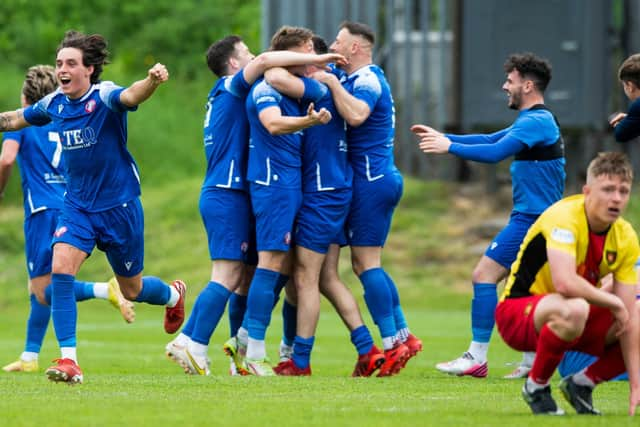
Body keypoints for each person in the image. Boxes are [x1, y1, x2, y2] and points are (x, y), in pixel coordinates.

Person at [0, 30, 186, 384]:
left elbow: (132, 95)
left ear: (90, 69)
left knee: (132, 289)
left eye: (70, 63)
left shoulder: (104, 96)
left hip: (120, 208)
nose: (62, 70)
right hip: (78, 207)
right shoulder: (54, 103)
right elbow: (15, 119)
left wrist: (152, 81)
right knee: (61, 268)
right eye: (58, 64)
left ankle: (174, 294)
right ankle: (69, 361)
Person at [163, 34, 345, 376]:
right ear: (234, 64)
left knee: (242, 278)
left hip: (232, 190)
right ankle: (195, 342)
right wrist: (323, 60)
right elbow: (266, 66)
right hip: (228, 191)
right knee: (228, 274)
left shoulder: (228, 93)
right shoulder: (233, 86)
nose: (255, 57)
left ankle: (214, 348)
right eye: (247, 53)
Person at [411, 52, 565, 378]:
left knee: (484, 275)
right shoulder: (532, 120)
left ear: (527, 84)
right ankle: (529, 362)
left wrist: (447, 147)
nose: (504, 86)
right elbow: (490, 139)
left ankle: (476, 357)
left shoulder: (537, 121)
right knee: (520, 285)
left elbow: (495, 153)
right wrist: (444, 137)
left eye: (509, 81)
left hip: (533, 219)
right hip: (539, 218)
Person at [0, 64, 135, 374]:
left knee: (43, 288)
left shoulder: (25, 122)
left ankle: (103, 290)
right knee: (44, 283)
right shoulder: (63, 116)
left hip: (40, 210)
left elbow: (7, 157)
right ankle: (30, 355)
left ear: (25, 96)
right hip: (70, 204)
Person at [265, 35, 384, 377]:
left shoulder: (319, 85)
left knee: (305, 277)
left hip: (323, 193)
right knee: (327, 278)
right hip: (333, 189)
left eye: (303, 55)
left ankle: (300, 361)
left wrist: (295, 65)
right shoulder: (329, 82)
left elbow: (273, 76)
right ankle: (367, 349)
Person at [312, 21, 421, 376]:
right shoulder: (354, 77)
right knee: (368, 263)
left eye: (338, 41)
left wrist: (329, 81)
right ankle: (403, 336)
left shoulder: (369, 79)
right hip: (377, 179)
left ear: (355, 48)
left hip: (372, 180)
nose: (332, 44)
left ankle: (391, 344)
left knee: (366, 265)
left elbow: (357, 115)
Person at [495, 152, 640, 415]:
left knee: (635, 315)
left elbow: (628, 319)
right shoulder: (564, 217)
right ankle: (536, 386)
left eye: (623, 191)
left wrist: (636, 384)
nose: (616, 198)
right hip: (518, 315)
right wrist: (613, 302)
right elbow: (564, 283)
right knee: (574, 308)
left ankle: (582, 383)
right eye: (608, 189)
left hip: (574, 320)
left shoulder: (625, 236)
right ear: (587, 191)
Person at [241, 26, 331, 376]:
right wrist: (307, 121)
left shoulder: (294, 89)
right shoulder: (266, 88)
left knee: (281, 268)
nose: (311, 60)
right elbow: (273, 125)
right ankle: (254, 353)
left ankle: (257, 345)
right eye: (306, 53)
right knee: (270, 264)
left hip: (289, 186)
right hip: (272, 184)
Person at [610, 53, 640, 142]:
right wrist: (631, 119)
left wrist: (621, 124)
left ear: (630, 86)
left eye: (624, 85)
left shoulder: (637, 107)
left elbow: (620, 134)